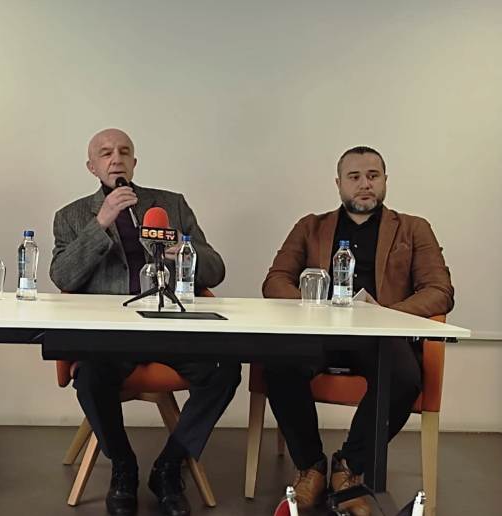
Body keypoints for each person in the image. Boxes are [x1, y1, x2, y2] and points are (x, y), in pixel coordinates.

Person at [50, 128, 241, 516]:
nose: (115, 159)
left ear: (134, 163)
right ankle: (123, 466)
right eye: (105, 153)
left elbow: (216, 270)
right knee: (90, 377)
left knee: (226, 369)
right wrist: (101, 223)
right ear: (92, 167)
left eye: (124, 152)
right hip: (111, 333)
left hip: (170, 325)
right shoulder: (71, 216)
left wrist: (184, 252)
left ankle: (169, 466)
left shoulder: (170, 205)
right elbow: (62, 276)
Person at [262, 146, 454, 515]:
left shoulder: (413, 228)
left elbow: (439, 290)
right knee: (278, 363)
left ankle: (349, 467)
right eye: (354, 177)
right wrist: (312, 306)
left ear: (385, 181)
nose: (365, 184)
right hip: (319, 330)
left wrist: (385, 315)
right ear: (339, 184)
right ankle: (311, 467)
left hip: (379, 334)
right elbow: (275, 281)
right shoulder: (310, 227)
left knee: (404, 377)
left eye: (373, 176)